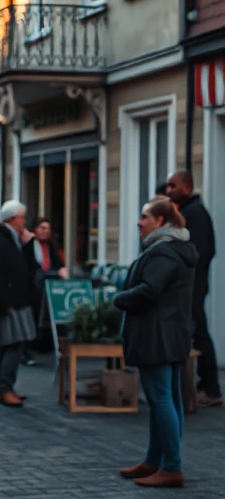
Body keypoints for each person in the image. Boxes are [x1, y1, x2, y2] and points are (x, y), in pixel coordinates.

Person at [114, 198, 197, 489]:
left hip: (157, 335)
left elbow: (150, 290)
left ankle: (171, 467)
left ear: (160, 222)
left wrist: (119, 299)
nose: (139, 221)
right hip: (169, 334)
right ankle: (154, 461)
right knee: (167, 398)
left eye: (145, 216)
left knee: (162, 399)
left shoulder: (163, 252)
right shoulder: (173, 250)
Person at [165, 170, 221, 407]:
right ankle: (204, 386)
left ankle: (210, 388)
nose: (169, 190)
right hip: (191, 284)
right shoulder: (189, 212)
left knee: (198, 332)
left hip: (192, 286)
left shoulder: (193, 214)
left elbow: (197, 252)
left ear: (187, 188)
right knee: (196, 332)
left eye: (173, 186)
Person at [0, 201, 40, 408]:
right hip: (10, 301)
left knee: (8, 344)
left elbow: (27, 267)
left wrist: (26, 245)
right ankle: (5, 387)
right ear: (14, 219)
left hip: (15, 299)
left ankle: (3, 387)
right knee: (15, 343)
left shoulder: (9, 238)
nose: (24, 222)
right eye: (22, 218)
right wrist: (3, 302)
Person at [21, 218, 68, 366]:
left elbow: (59, 264)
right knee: (32, 320)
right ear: (35, 229)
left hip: (49, 289)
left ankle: (47, 346)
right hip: (32, 290)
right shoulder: (29, 245)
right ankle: (27, 352)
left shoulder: (53, 247)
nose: (45, 231)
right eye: (42, 228)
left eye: (47, 229)